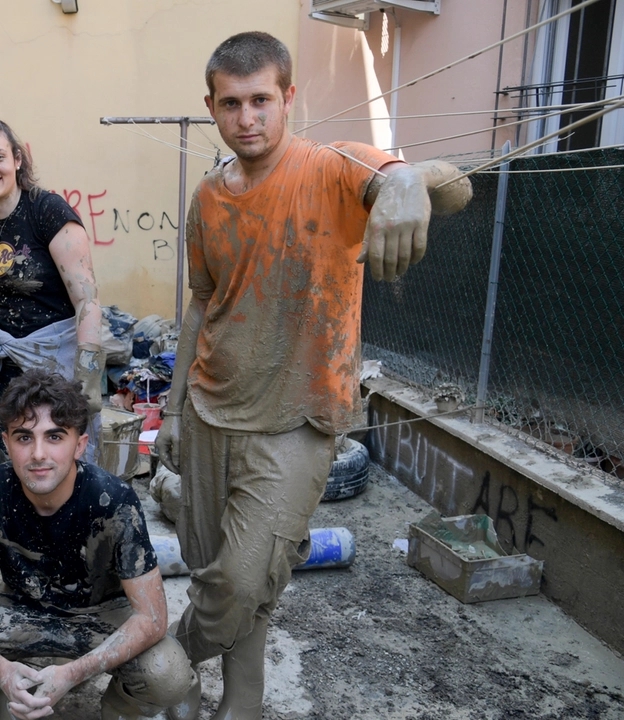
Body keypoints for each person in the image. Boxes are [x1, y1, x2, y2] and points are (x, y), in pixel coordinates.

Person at [153, 32, 472, 720]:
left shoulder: (335, 167)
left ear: (288, 97)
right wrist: (173, 412)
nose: (248, 118)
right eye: (232, 103)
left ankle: (162, 668)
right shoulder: (208, 199)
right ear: (211, 106)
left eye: (261, 100)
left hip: (298, 421)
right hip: (209, 411)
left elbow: (456, 189)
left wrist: (407, 183)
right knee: (225, 576)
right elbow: (202, 306)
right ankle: (240, 702)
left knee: (237, 584)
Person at [0, 369, 194, 720]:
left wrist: (74, 673)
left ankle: (119, 706)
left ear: (80, 444)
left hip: (98, 613)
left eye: (55, 437)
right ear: (6, 441)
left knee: (167, 672)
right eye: (24, 437)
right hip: (19, 608)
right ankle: (21, 686)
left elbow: (152, 618)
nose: (39, 454)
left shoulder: (114, 500)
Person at [0, 118, 104, 474]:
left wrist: (87, 376)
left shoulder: (48, 211)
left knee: (59, 472)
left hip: (55, 374)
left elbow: (87, 300)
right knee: (11, 472)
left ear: (18, 159)